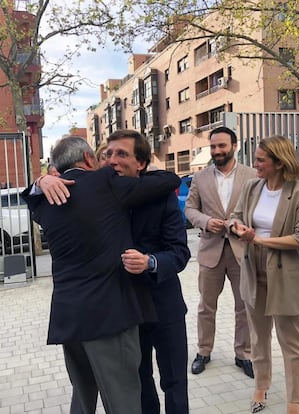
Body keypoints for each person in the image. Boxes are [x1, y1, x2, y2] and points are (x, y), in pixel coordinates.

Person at [23, 136, 180, 414]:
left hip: (69, 318)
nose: (108, 161)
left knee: (82, 400)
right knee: (123, 401)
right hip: (110, 316)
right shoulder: (104, 181)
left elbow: (31, 198)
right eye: (104, 155)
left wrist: (40, 181)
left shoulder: (44, 200)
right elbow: (169, 180)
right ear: (88, 159)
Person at [229, 136, 299, 414]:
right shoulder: (252, 187)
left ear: (279, 162)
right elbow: (236, 216)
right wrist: (237, 228)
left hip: (287, 275)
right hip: (253, 272)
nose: (254, 165)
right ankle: (261, 386)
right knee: (258, 337)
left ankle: (294, 401)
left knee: (291, 341)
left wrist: (260, 241)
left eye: (260, 160)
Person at [106, 129, 191, 414]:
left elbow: (180, 252)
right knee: (140, 384)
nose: (112, 160)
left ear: (141, 163)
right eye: (109, 154)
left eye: (121, 154)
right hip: (125, 309)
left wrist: (150, 262)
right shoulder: (103, 197)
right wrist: (44, 180)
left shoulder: (161, 197)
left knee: (175, 383)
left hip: (164, 305)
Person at [185, 126, 257, 377]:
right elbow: (190, 209)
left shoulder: (252, 175)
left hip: (241, 251)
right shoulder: (200, 177)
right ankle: (204, 351)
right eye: (213, 146)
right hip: (210, 250)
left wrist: (246, 227)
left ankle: (244, 354)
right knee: (206, 306)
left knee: (245, 305)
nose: (216, 151)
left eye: (221, 146)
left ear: (234, 146)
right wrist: (205, 221)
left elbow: (258, 210)